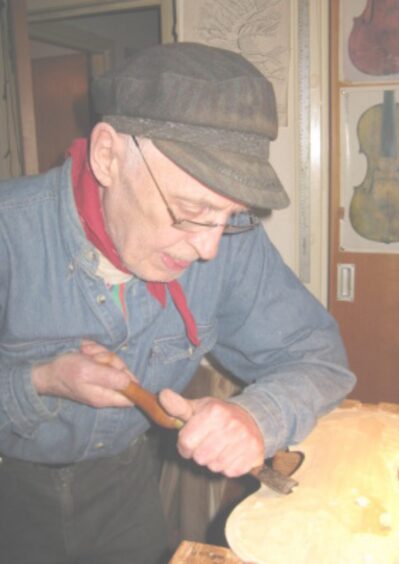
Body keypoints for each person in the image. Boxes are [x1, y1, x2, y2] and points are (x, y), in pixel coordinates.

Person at [0, 42, 355, 564]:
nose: (210, 249)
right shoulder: (10, 231)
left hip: (126, 486)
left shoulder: (226, 240)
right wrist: (39, 382)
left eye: (232, 215)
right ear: (108, 156)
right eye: (190, 210)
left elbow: (319, 357)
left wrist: (257, 416)